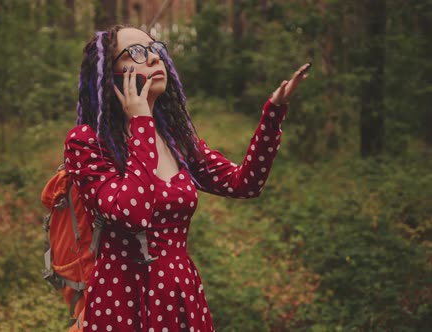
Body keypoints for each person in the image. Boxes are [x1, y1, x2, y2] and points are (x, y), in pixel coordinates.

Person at [63, 24, 309, 332]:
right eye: (137, 52)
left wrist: (273, 113)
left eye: (156, 49)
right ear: (108, 75)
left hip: (178, 293)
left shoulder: (177, 141)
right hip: (121, 300)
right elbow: (132, 213)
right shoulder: (88, 142)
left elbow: (244, 183)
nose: (154, 58)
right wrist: (140, 121)